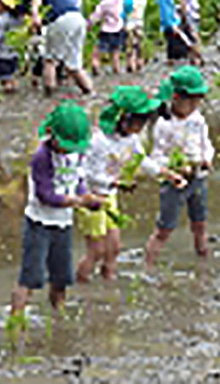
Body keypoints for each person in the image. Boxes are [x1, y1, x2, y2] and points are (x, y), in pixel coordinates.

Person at [77, 87, 185, 283]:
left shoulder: (131, 139)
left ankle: (108, 284)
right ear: (123, 119)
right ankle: (80, 286)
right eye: (139, 121)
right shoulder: (99, 142)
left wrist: (166, 174)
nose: (142, 126)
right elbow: (88, 174)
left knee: (114, 248)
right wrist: (116, 182)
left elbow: (141, 160)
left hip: (109, 196)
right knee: (96, 251)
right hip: (91, 199)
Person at [11, 102, 104, 315]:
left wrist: (85, 194)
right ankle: (16, 321)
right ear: (52, 135)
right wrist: (78, 202)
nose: (69, 150)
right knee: (30, 278)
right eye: (66, 145)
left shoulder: (76, 153)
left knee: (61, 277)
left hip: (63, 224)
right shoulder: (41, 157)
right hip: (39, 223)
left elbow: (77, 178)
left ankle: (59, 317)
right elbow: (46, 195)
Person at [145, 66, 214, 268]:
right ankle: (148, 266)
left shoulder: (197, 119)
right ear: (175, 97)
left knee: (200, 223)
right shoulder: (163, 124)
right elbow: (157, 157)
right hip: (174, 182)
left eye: (197, 101)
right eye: (190, 101)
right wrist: (176, 168)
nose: (194, 105)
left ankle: (203, 259)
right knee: (164, 229)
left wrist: (206, 158)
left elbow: (206, 144)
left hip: (199, 178)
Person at [1, 0, 93, 97]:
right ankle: (88, 91)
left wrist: (35, 13)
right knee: (73, 64)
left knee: (49, 60)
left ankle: (49, 93)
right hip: (77, 19)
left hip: (62, 19)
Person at [88, 0, 124, 75]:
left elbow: (96, 16)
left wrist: (89, 24)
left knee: (97, 51)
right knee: (115, 53)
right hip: (119, 29)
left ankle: (95, 66)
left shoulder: (104, 3)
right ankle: (116, 69)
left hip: (106, 30)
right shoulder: (120, 1)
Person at [157, 0, 193, 65]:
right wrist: (172, 25)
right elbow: (165, 14)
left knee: (178, 43)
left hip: (175, 23)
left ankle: (177, 60)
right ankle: (172, 61)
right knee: (173, 44)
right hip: (171, 25)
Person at [123, 0, 147, 73]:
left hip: (129, 24)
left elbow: (125, 12)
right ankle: (139, 62)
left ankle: (130, 64)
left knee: (130, 46)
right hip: (140, 23)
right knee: (138, 45)